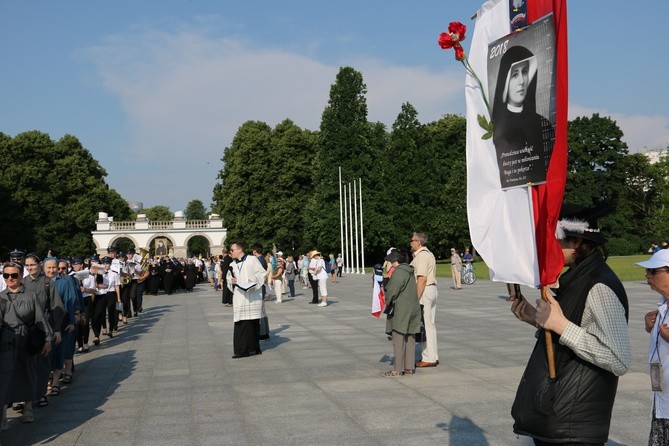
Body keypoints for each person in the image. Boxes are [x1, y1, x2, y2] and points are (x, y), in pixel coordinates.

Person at [509, 204, 631, 444]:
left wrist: (560, 325)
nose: (547, 247)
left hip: (573, 425)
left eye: (554, 239)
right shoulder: (577, 276)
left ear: (577, 242)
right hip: (560, 417)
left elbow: (618, 358)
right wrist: (537, 318)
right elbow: (573, 328)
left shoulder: (599, 284)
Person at [492, 45, 554, 188]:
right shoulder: (494, 127)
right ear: (505, 79)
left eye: (524, 72)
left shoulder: (543, 124)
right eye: (515, 74)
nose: (521, 81)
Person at [1, 261, 53, 426]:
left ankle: (28, 407)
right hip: (6, 341)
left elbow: (40, 318)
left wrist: (47, 339)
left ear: (20, 276)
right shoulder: (1, 296)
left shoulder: (30, 295)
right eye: (6, 275)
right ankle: (2, 415)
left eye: (14, 275)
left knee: (28, 373)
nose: (10, 278)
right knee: (5, 378)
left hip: (26, 339)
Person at [637, 249, 669, 445]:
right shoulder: (662, 306)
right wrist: (651, 329)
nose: (648, 276)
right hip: (663, 400)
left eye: (653, 271)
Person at [381, 249, 421, 377]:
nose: (390, 263)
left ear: (396, 261)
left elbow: (392, 291)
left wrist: (386, 299)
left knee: (398, 338)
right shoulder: (409, 270)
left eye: (392, 261)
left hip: (402, 309)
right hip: (413, 307)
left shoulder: (399, 272)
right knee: (410, 337)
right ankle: (409, 367)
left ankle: (397, 369)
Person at [226, 242, 266, 358]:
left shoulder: (252, 259)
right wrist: (231, 281)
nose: (230, 252)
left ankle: (254, 348)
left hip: (252, 296)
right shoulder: (232, 264)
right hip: (240, 297)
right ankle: (242, 350)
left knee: (253, 322)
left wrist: (251, 280)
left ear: (239, 250)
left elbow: (262, 273)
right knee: (241, 323)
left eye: (232, 250)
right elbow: (228, 277)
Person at [410, 232, 438, 368]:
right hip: (431, 289)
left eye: (412, 240)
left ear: (418, 242)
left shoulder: (421, 256)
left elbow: (421, 279)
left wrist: (415, 299)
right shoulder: (429, 254)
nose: (411, 243)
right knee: (430, 325)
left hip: (425, 290)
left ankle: (429, 357)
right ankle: (433, 355)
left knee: (426, 325)